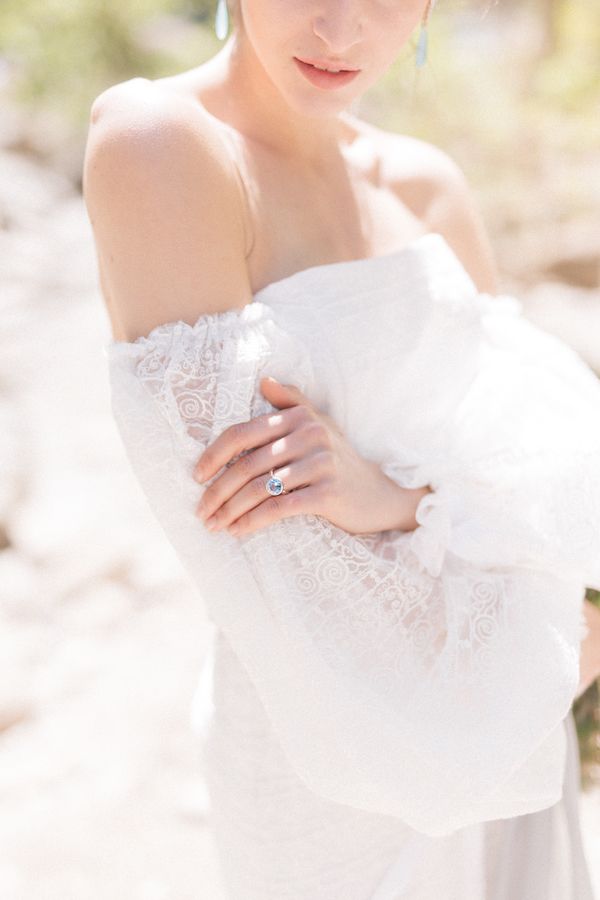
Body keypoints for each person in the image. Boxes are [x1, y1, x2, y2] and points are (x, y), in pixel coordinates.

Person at [82, 1, 600, 897]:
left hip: (508, 739)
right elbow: (260, 550)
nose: (339, 29)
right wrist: (549, 631)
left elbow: (554, 462)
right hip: (329, 756)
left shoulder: (425, 185)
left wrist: (401, 500)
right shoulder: (162, 144)